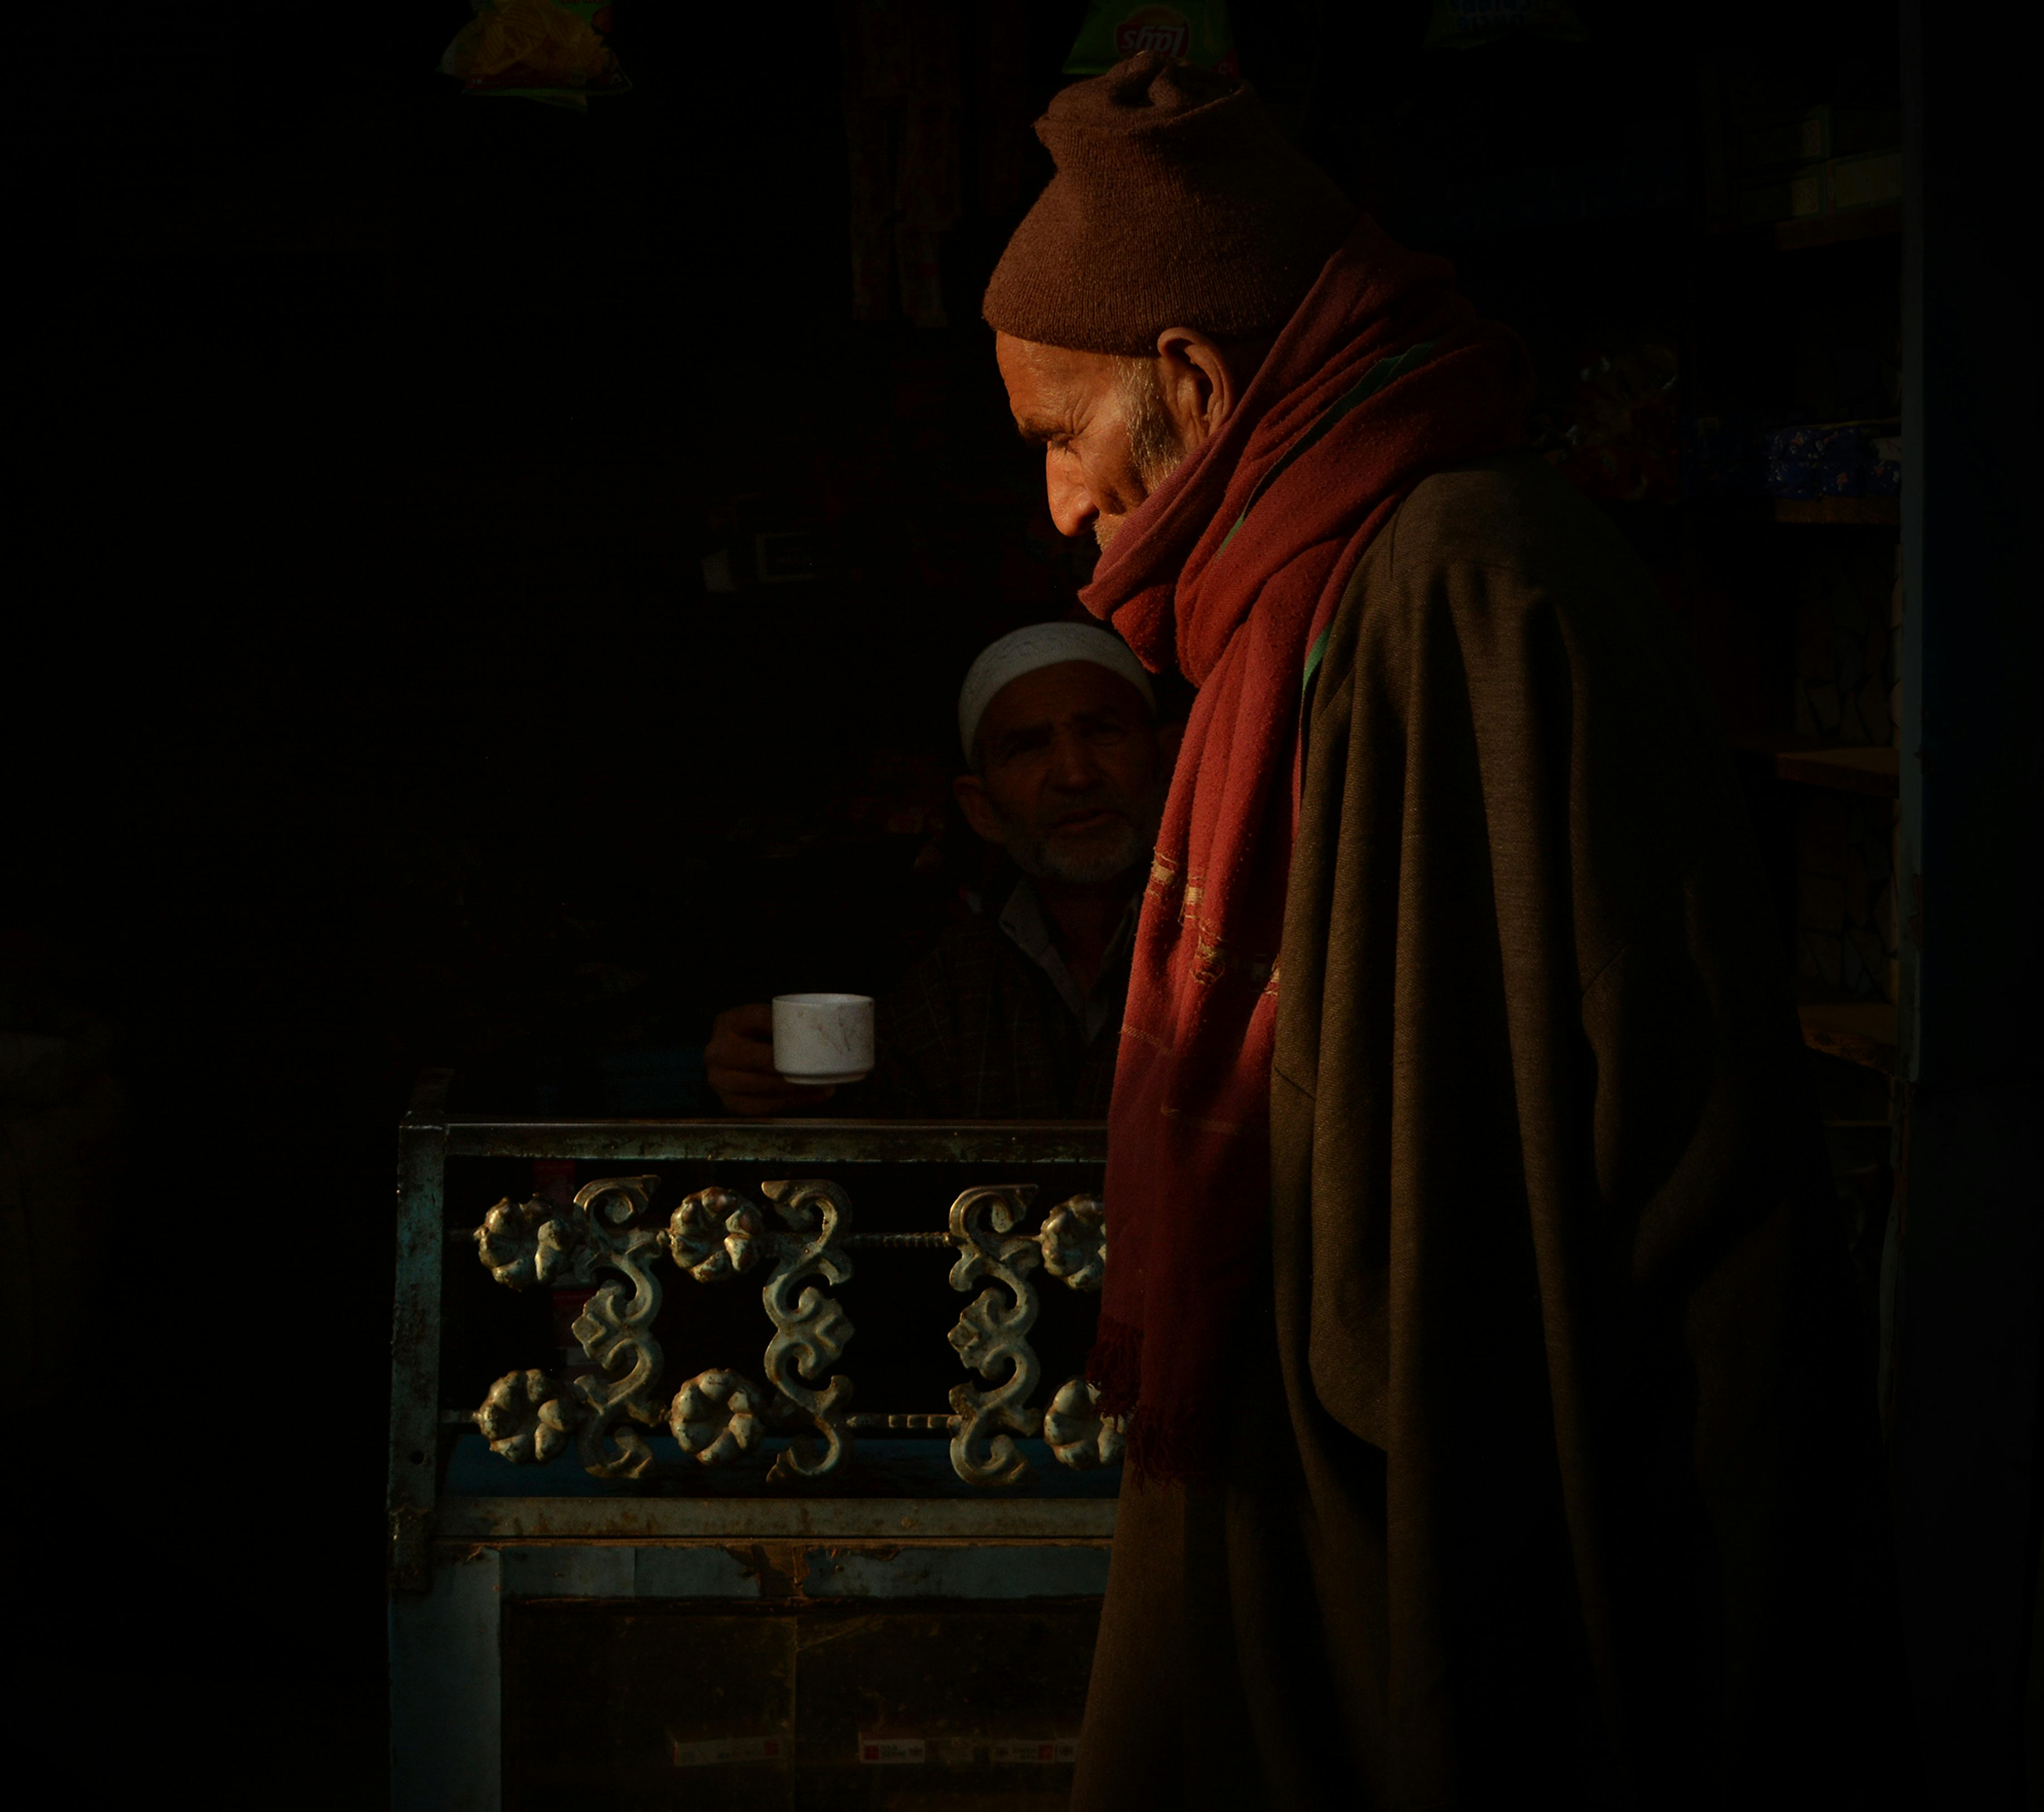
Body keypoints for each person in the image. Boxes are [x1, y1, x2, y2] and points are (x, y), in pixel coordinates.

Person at [979, 53, 1902, 1809]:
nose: (1062, 509)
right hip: (1327, 1510)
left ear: (1189, 379)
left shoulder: (1473, 585)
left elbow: (1590, 1187)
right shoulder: (1302, 597)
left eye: (1059, 438)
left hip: (1468, 1525)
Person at [704, 623, 1176, 1119]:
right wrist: (761, 1083)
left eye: (1104, 731)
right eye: (1028, 747)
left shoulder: (1238, 944)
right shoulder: (950, 980)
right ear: (981, 810)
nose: (1076, 775)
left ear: (1167, 763)